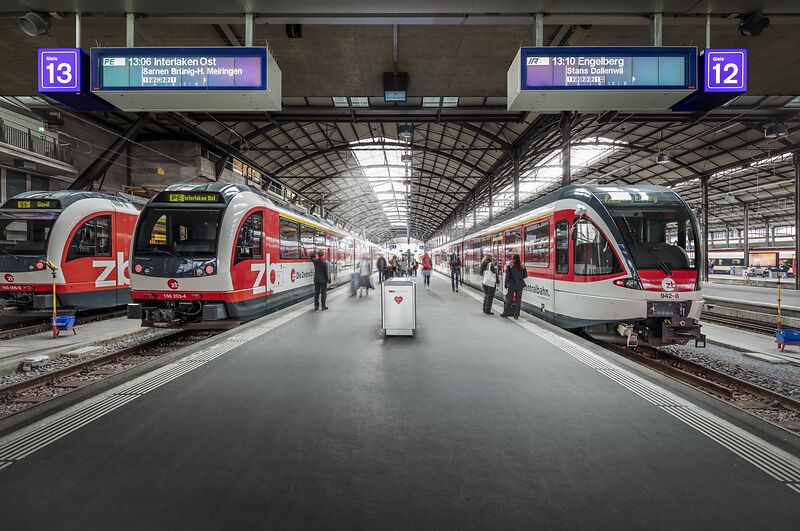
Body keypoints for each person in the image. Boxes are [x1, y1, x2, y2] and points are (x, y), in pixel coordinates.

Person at [501, 253, 527, 319]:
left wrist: (506, 284)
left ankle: (505, 313)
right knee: (518, 300)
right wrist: (520, 278)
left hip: (511, 285)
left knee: (509, 299)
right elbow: (525, 275)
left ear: (513, 258)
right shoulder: (522, 266)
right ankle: (516, 315)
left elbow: (507, 276)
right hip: (520, 285)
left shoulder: (510, 265)